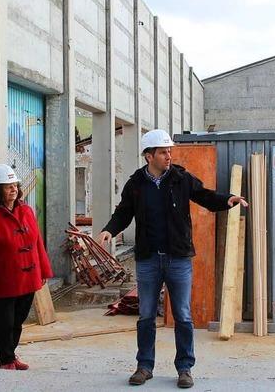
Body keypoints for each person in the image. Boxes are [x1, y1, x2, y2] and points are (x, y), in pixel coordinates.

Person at [98, 129, 248, 389]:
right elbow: (123, 212)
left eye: (170, 151)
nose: (169, 156)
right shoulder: (135, 184)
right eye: (163, 152)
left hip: (178, 257)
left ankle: (185, 368)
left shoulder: (180, 178)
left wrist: (228, 200)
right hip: (148, 260)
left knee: (182, 314)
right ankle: (144, 366)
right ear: (149, 156)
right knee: (146, 315)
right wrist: (109, 229)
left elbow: (205, 196)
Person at [0, 164, 54, 370]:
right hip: (4, 280)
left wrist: (44, 270)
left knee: (19, 320)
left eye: (15, 185)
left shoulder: (26, 211)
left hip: (29, 277)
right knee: (5, 322)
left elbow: (37, 243)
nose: (13, 189)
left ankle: (11, 353)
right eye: (7, 186)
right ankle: (6, 359)